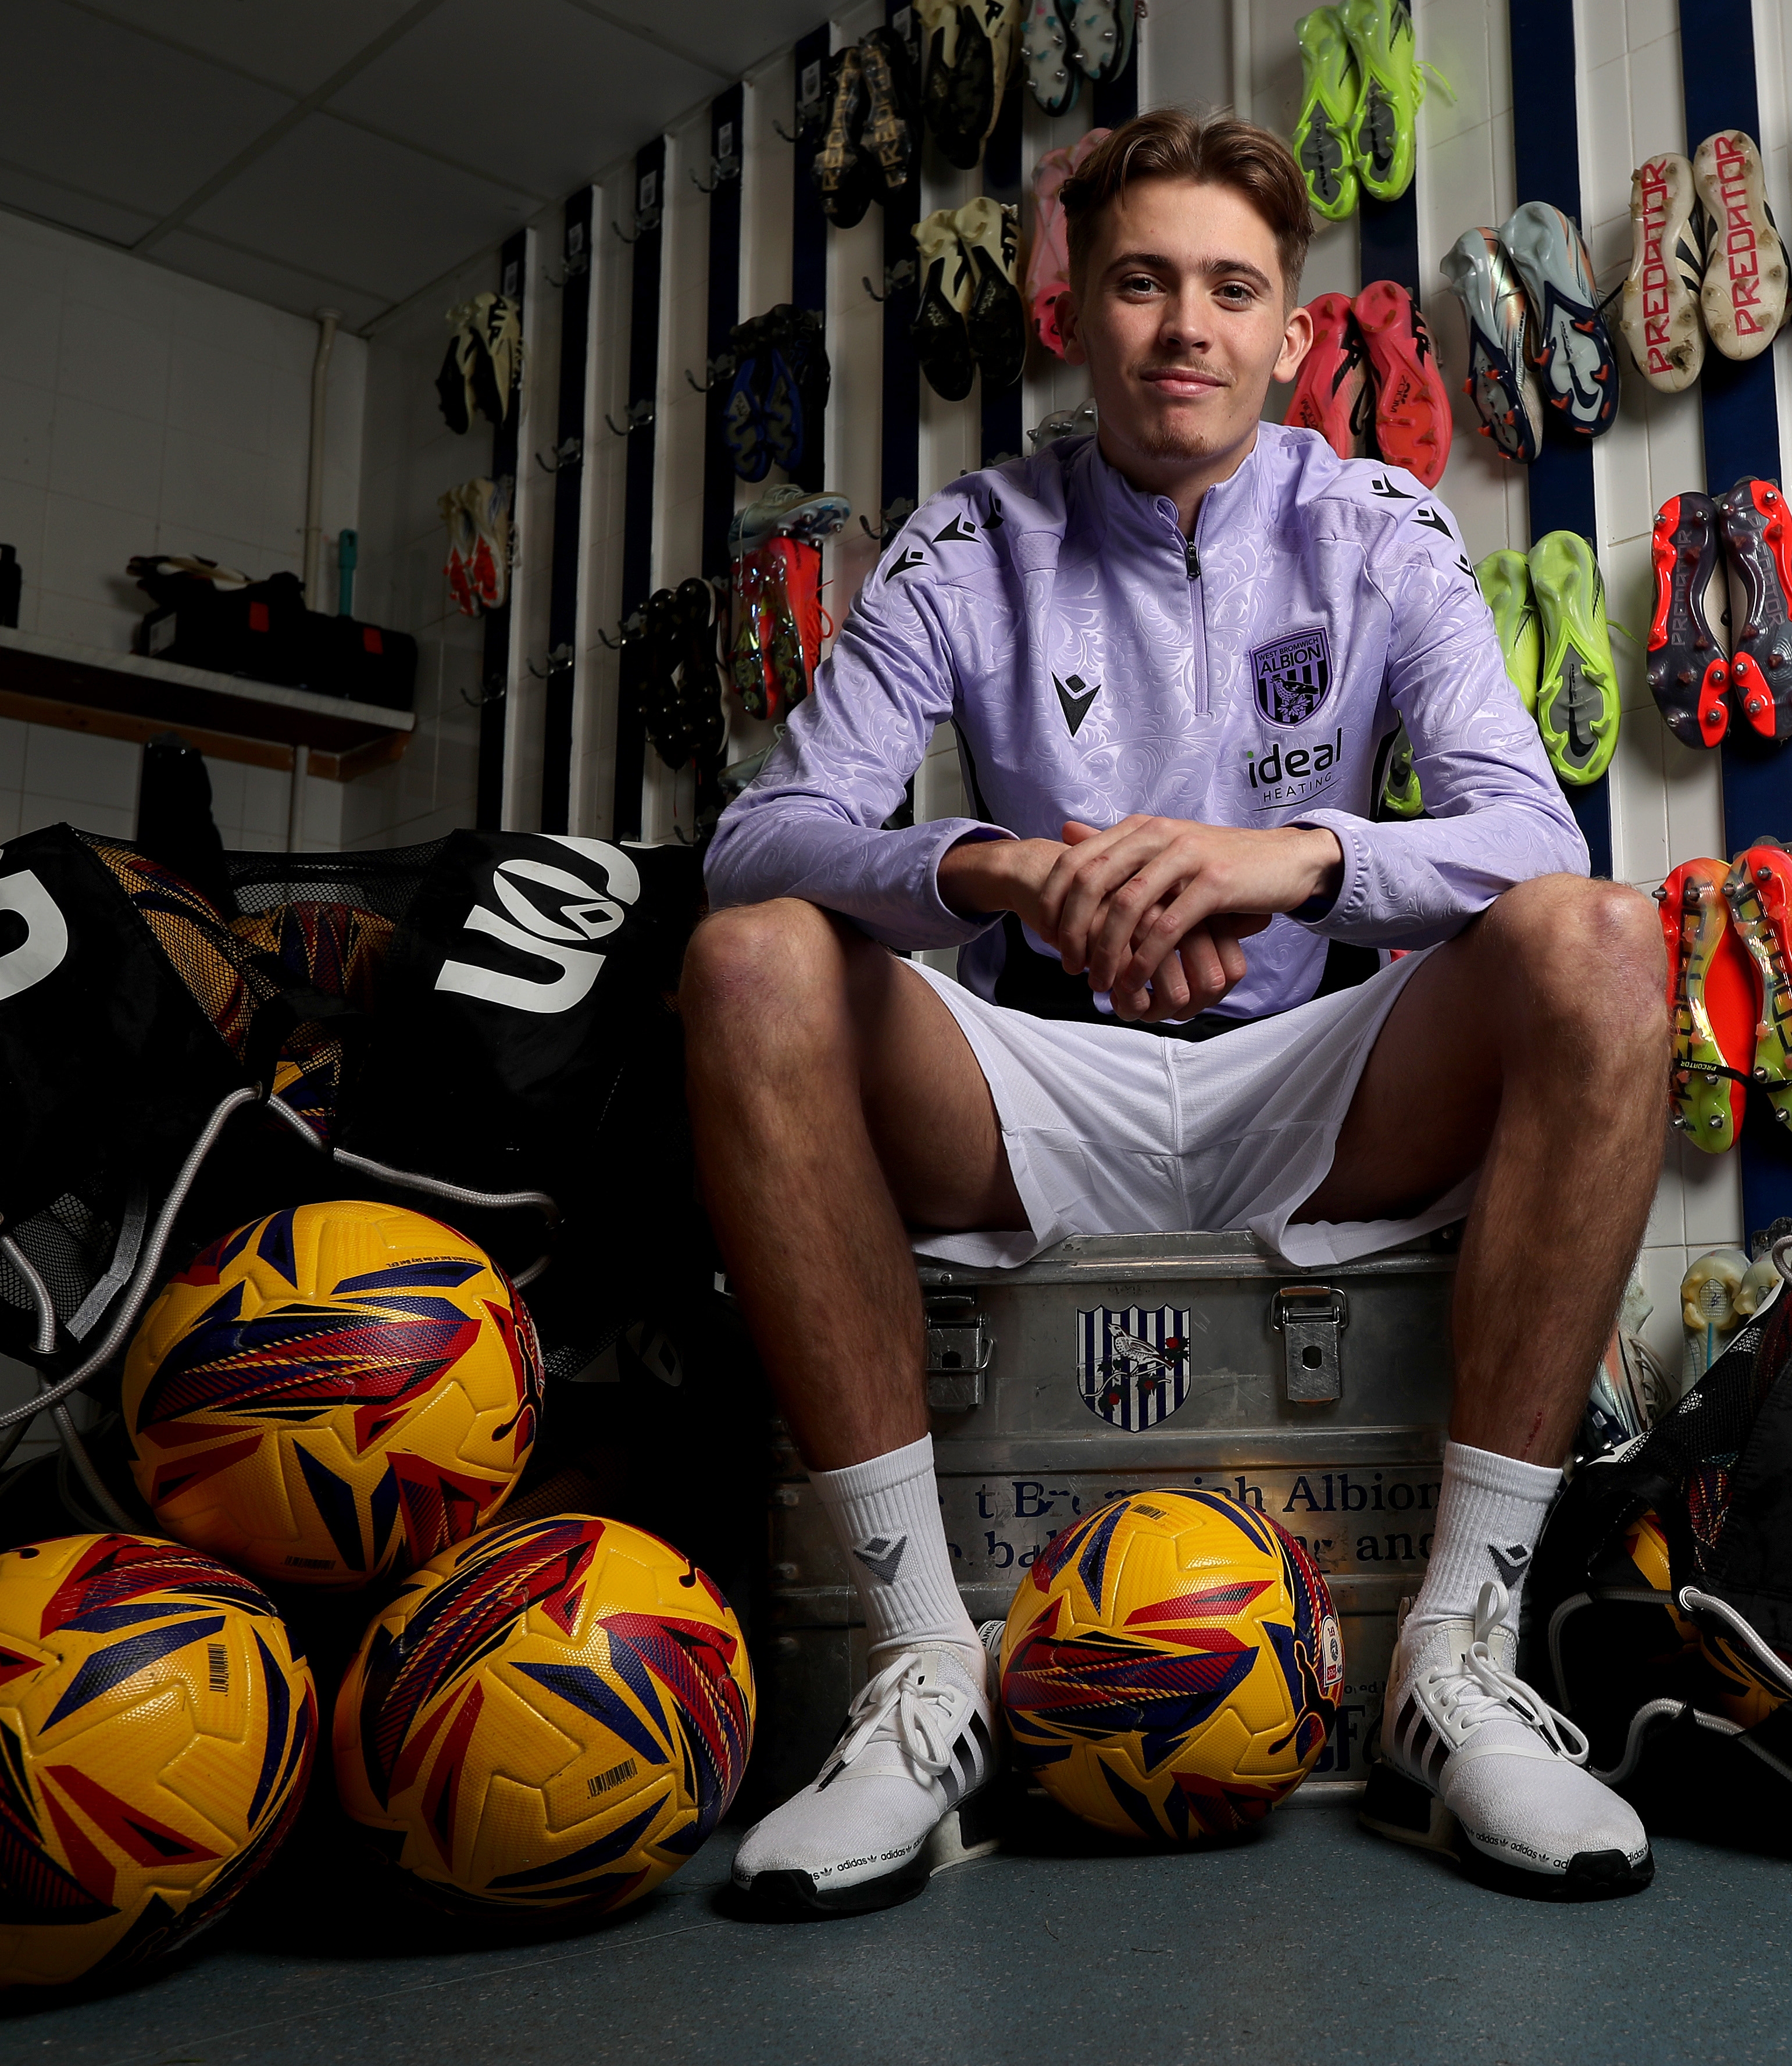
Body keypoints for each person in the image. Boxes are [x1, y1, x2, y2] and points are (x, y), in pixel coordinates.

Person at [686, 108, 1668, 1913]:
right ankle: (923, 1671)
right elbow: (761, 838)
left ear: (1292, 336)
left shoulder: (1379, 523)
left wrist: (1284, 863)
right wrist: (1004, 869)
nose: (1185, 327)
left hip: (1309, 1078)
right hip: (1030, 1077)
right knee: (752, 960)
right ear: (1078, 315)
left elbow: (1532, 829)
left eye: (1231, 288)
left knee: (1601, 942)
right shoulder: (972, 535)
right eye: (1143, 282)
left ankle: (1453, 1668)